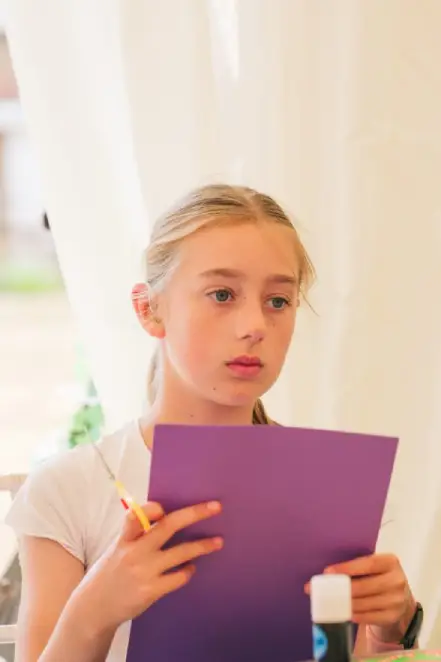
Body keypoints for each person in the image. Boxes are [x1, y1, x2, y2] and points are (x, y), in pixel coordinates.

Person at [6, 184, 419, 661]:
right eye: (222, 294)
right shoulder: (68, 489)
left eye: (278, 301)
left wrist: (396, 624)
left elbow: (347, 655)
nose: (255, 325)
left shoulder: (322, 481)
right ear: (149, 309)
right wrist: (95, 610)